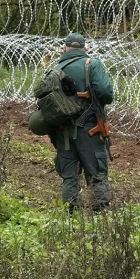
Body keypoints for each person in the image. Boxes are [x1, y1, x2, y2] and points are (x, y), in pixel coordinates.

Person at [49, 32, 114, 213]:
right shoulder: (91, 64)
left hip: (63, 132)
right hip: (90, 130)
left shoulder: (55, 69)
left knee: (69, 176)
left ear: (64, 49)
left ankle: (70, 216)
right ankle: (99, 214)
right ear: (84, 48)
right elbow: (107, 94)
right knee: (96, 173)